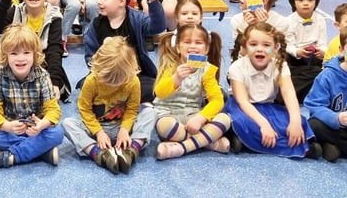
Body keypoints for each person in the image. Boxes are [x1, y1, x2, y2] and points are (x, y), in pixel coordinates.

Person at [225, 22, 321, 158]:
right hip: (241, 107)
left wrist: (295, 121)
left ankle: (249, 143)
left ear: (275, 48)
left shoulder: (280, 65)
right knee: (243, 122)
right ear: (245, 47)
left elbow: (289, 94)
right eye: (253, 44)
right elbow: (243, 102)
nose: (260, 49)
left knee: (299, 121)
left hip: (268, 107)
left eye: (266, 45)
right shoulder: (237, 67)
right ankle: (300, 147)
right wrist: (264, 125)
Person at [62, 36, 155, 174]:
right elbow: (85, 110)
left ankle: (131, 150)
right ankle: (99, 154)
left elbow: (132, 109)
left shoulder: (133, 80)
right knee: (67, 123)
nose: (113, 85)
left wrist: (124, 129)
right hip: (97, 128)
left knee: (151, 112)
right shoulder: (91, 81)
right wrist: (98, 133)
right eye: (108, 80)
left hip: (122, 126)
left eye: (119, 81)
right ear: (98, 69)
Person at [0, 24, 64, 172]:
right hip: (11, 129)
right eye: (14, 53)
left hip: (37, 130)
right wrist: (6, 126)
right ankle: (40, 151)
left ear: (35, 54)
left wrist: (42, 124)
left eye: (26, 52)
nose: (21, 58)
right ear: (5, 56)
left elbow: (53, 110)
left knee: (58, 133)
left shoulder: (42, 75)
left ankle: (10, 157)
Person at [154, 24, 230, 160]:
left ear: (206, 49)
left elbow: (217, 100)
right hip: (168, 112)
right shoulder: (170, 65)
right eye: (187, 42)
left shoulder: (207, 70)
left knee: (225, 120)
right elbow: (159, 93)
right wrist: (176, 78)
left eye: (198, 43)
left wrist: (200, 118)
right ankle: (208, 142)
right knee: (165, 126)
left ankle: (181, 148)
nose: (193, 46)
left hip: (193, 114)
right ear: (178, 47)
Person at [84, 0, 166, 102]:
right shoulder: (95, 25)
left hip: (135, 75)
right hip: (106, 76)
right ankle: (122, 99)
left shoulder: (137, 19)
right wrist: (103, 75)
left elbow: (158, 27)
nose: (99, 1)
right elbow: (90, 57)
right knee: (87, 88)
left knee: (153, 89)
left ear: (122, 1)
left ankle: (120, 99)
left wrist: (154, 2)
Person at [304, 27, 347, 162]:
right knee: (313, 125)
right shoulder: (328, 76)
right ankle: (331, 145)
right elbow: (315, 106)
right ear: (341, 50)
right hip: (333, 126)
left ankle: (332, 146)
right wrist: (337, 118)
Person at [285, 0, 327, 102]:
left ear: (316, 2)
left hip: (314, 58)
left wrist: (322, 51)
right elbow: (288, 45)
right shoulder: (289, 21)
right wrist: (297, 52)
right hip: (294, 59)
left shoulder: (320, 20)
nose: (306, 3)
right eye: (301, 0)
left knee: (321, 73)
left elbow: (323, 42)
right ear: (293, 2)